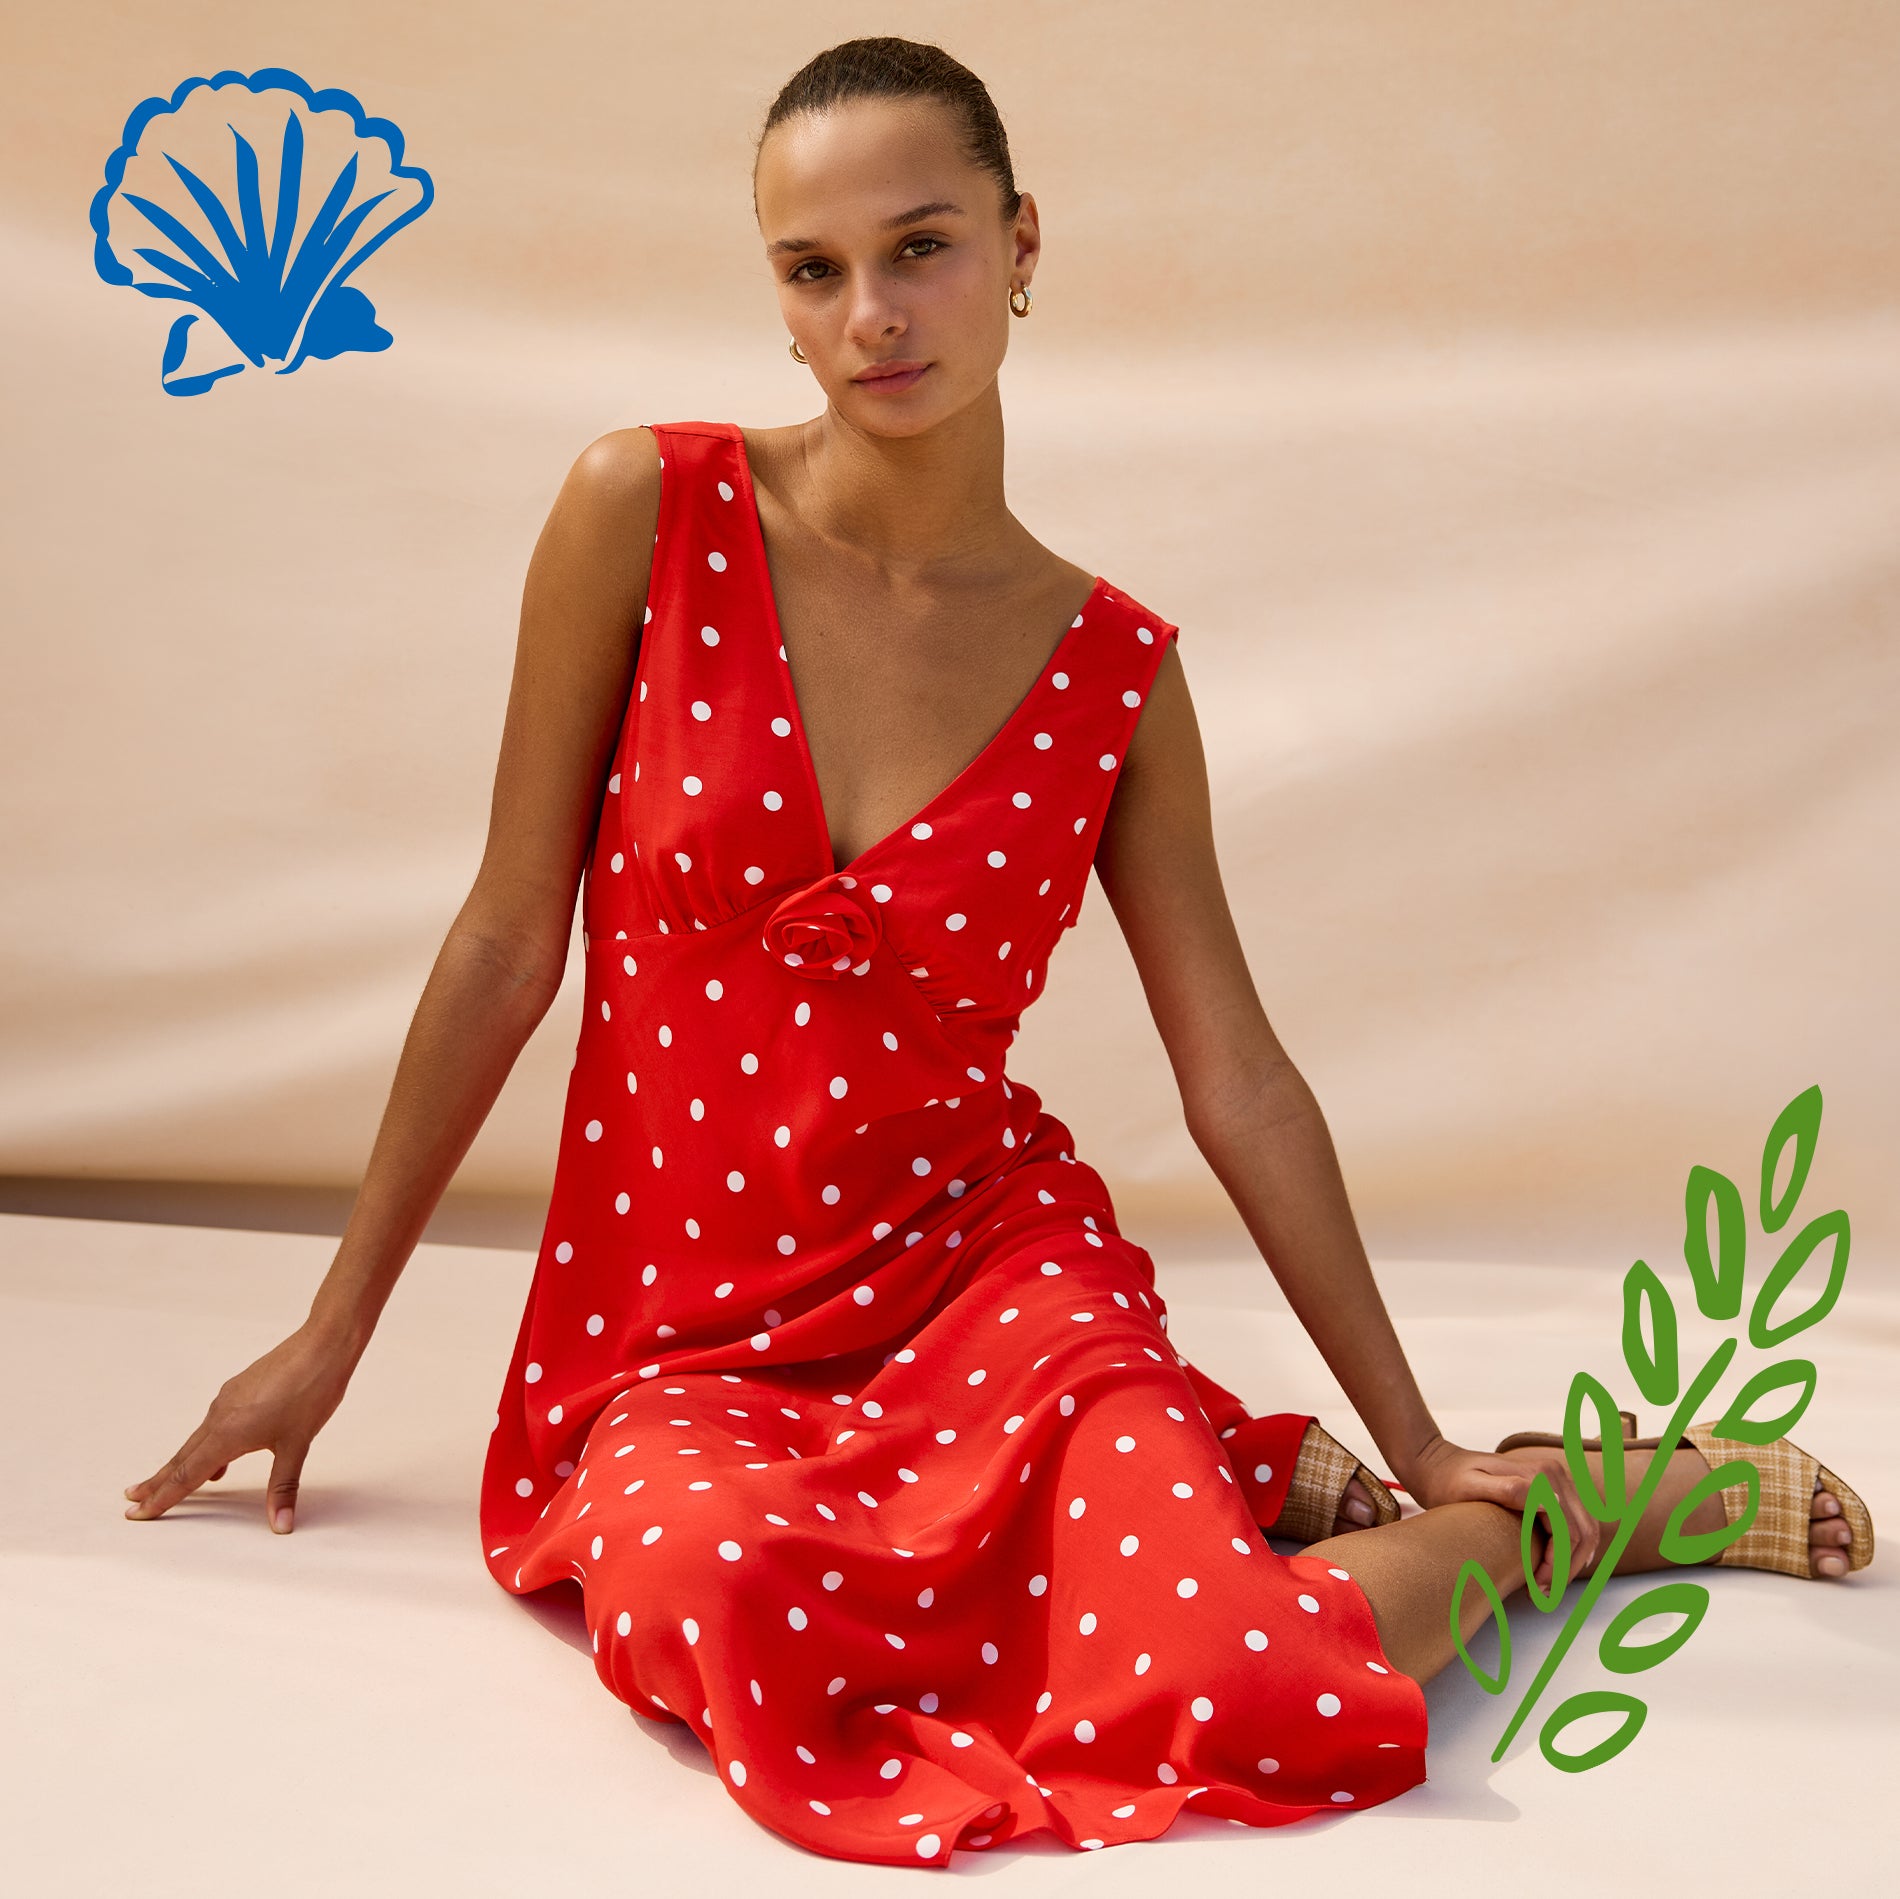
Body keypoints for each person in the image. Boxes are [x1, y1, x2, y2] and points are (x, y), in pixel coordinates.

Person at [123, 32, 1871, 1868]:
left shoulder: (1113, 675)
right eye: (814, 269)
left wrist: (1426, 1439)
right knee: (714, 1591)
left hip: (984, 1284)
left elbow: (1241, 1081)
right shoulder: (646, 511)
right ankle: (1234, 1472)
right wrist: (330, 1333)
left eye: (922, 247)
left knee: (1236, 1676)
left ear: (1022, 244)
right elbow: (504, 942)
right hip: (685, 1340)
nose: (872, 314)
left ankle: (1554, 1519)